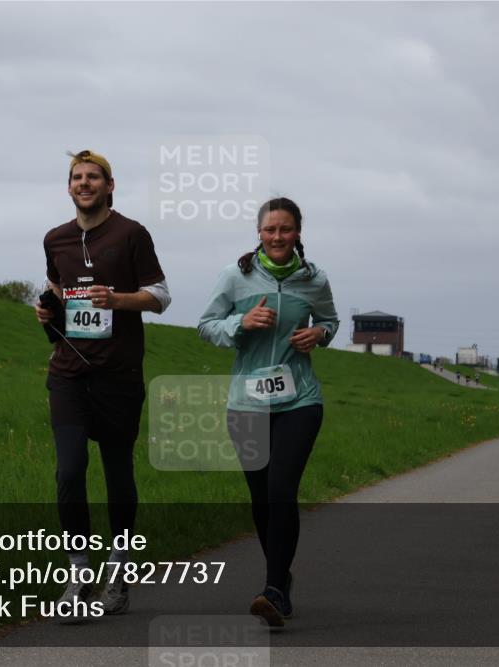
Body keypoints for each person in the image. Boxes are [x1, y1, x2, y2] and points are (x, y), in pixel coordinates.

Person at [34, 149, 170, 618]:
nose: (85, 183)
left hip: (119, 376)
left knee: (117, 475)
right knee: (69, 472)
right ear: (68, 186)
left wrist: (117, 300)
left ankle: (120, 566)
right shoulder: (56, 239)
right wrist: (47, 311)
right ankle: (77, 573)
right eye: (77, 177)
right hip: (68, 373)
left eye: (94, 177)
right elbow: (57, 290)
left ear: (110, 185)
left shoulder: (131, 234)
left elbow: (160, 297)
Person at [198, 197, 339, 628]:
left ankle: (274, 588)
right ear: (258, 234)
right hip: (247, 403)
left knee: (280, 489)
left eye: (286, 229)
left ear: (299, 233)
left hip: (300, 401)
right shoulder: (235, 277)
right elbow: (206, 326)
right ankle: (280, 577)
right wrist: (240, 324)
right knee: (261, 499)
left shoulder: (314, 279)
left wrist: (319, 333)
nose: (277, 237)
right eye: (269, 230)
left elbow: (331, 322)